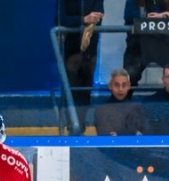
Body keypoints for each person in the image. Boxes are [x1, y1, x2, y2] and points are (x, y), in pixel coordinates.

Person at [56, 0, 105, 134]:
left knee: (85, 90)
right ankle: (72, 125)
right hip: (72, 48)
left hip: (90, 48)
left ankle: (80, 125)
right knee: (71, 88)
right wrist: (84, 19)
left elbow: (99, 16)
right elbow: (60, 19)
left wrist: (91, 20)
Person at [122, 0, 169, 87]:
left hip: (161, 47)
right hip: (137, 47)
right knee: (127, 78)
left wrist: (164, 16)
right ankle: (125, 100)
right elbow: (128, 16)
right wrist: (149, 17)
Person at [94, 68, 149, 136]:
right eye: (116, 85)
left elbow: (145, 134)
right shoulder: (102, 110)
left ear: (129, 86)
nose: (120, 89)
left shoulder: (136, 108)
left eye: (124, 85)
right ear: (110, 86)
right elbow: (107, 138)